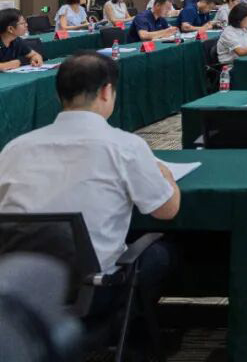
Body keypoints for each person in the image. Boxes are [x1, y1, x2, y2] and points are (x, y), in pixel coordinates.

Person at [0, 51, 180, 314]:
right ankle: (133, 331)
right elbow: (166, 210)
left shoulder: (14, 148)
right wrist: (165, 174)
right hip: (93, 292)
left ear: (58, 96)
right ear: (106, 92)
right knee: (163, 253)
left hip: (19, 293)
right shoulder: (125, 146)